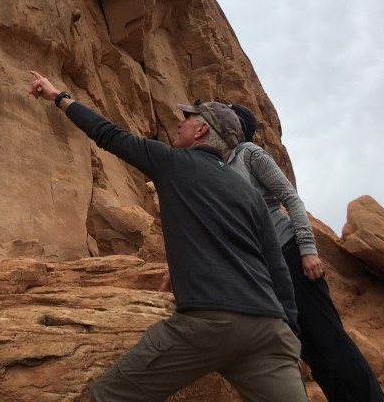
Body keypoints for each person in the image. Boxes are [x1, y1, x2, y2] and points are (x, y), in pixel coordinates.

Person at [28, 71, 308, 402]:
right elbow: (276, 266)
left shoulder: (173, 163)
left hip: (210, 321)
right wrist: (289, 330)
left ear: (202, 130)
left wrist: (58, 96)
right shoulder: (248, 193)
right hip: (269, 331)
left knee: (109, 395)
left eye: (187, 119)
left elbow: (108, 134)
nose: (180, 122)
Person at [226, 103, 384, 402]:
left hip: (289, 254)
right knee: (309, 349)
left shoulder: (250, 153)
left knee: (330, 340)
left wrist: (307, 249)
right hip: (265, 268)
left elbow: (291, 199)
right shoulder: (224, 166)